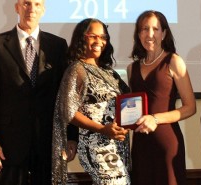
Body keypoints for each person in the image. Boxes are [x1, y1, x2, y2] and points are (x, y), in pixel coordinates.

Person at [0, 0, 78, 184]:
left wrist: (71, 137)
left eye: (37, 4)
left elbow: (67, 98)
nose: (31, 9)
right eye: (26, 3)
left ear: (43, 10)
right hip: (8, 147)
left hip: (48, 144)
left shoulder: (58, 46)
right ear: (17, 7)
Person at [52, 18, 131, 185]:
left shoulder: (108, 71)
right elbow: (68, 112)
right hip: (96, 145)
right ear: (82, 38)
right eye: (93, 36)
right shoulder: (77, 69)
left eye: (103, 37)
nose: (99, 42)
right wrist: (103, 129)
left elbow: (127, 99)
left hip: (117, 144)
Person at [127, 10, 197, 185]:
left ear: (164, 33)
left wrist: (155, 119)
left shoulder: (174, 61)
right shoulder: (131, 68)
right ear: (138, 34)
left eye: (155, 29)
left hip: (167, 145)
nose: (149, 34)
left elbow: (190, 107)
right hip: (140, 145)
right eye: (144, 29)